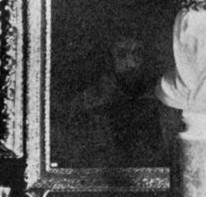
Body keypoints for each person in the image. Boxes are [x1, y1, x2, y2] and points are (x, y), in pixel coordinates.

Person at [56, 35, 170, 168]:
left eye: (137, 54)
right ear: (109, 59)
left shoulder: (159, 97)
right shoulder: (91, 99)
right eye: (122, 55)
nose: (131, 63)